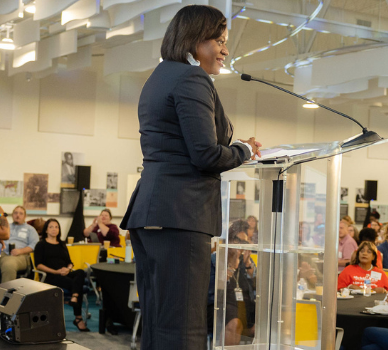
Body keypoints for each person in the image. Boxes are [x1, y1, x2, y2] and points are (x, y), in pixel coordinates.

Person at [119, 6, 262, 349]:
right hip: (181, 213)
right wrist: (244, 149)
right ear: (193, 38)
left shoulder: (159, 76)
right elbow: (206, 154)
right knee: (183, 326)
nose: (225, 49)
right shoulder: (191, 78)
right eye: (218, 40)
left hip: (153, 212)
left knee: (157, 322)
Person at [34, 219, 89, 331]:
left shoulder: (62, 244)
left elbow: (70, 262)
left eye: (56, 227)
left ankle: (74, 297)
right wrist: (56, 271)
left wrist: (68, 269)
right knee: (75, 284)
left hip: (65, 273)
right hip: (51, 275)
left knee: (81, 272)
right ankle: (78, 318)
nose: (54, 229)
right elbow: (38, 265)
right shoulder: (41, 244)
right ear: (46, 230)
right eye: (51, 227)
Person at [208, 235, 255, 345]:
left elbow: (256, 286)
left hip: (245, 309)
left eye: (244, 242)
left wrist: (248, 264)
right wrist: (232, 266)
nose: (241, 245)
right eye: (238, 240)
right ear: (228, 242)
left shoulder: (246, 261)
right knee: (234, 323)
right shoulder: (215, 260)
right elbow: (213, 290)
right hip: (221, 307)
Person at [0, 206, 40, 283]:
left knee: (9, 265)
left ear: (25, 216)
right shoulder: (6, 227)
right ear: (12, 215)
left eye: (21, 213)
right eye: (15, 213)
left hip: (20, 256)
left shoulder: (30, 229)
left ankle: (5, 293)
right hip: (2, 253)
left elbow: (35, 245)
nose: (18, 215)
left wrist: (20, 251)